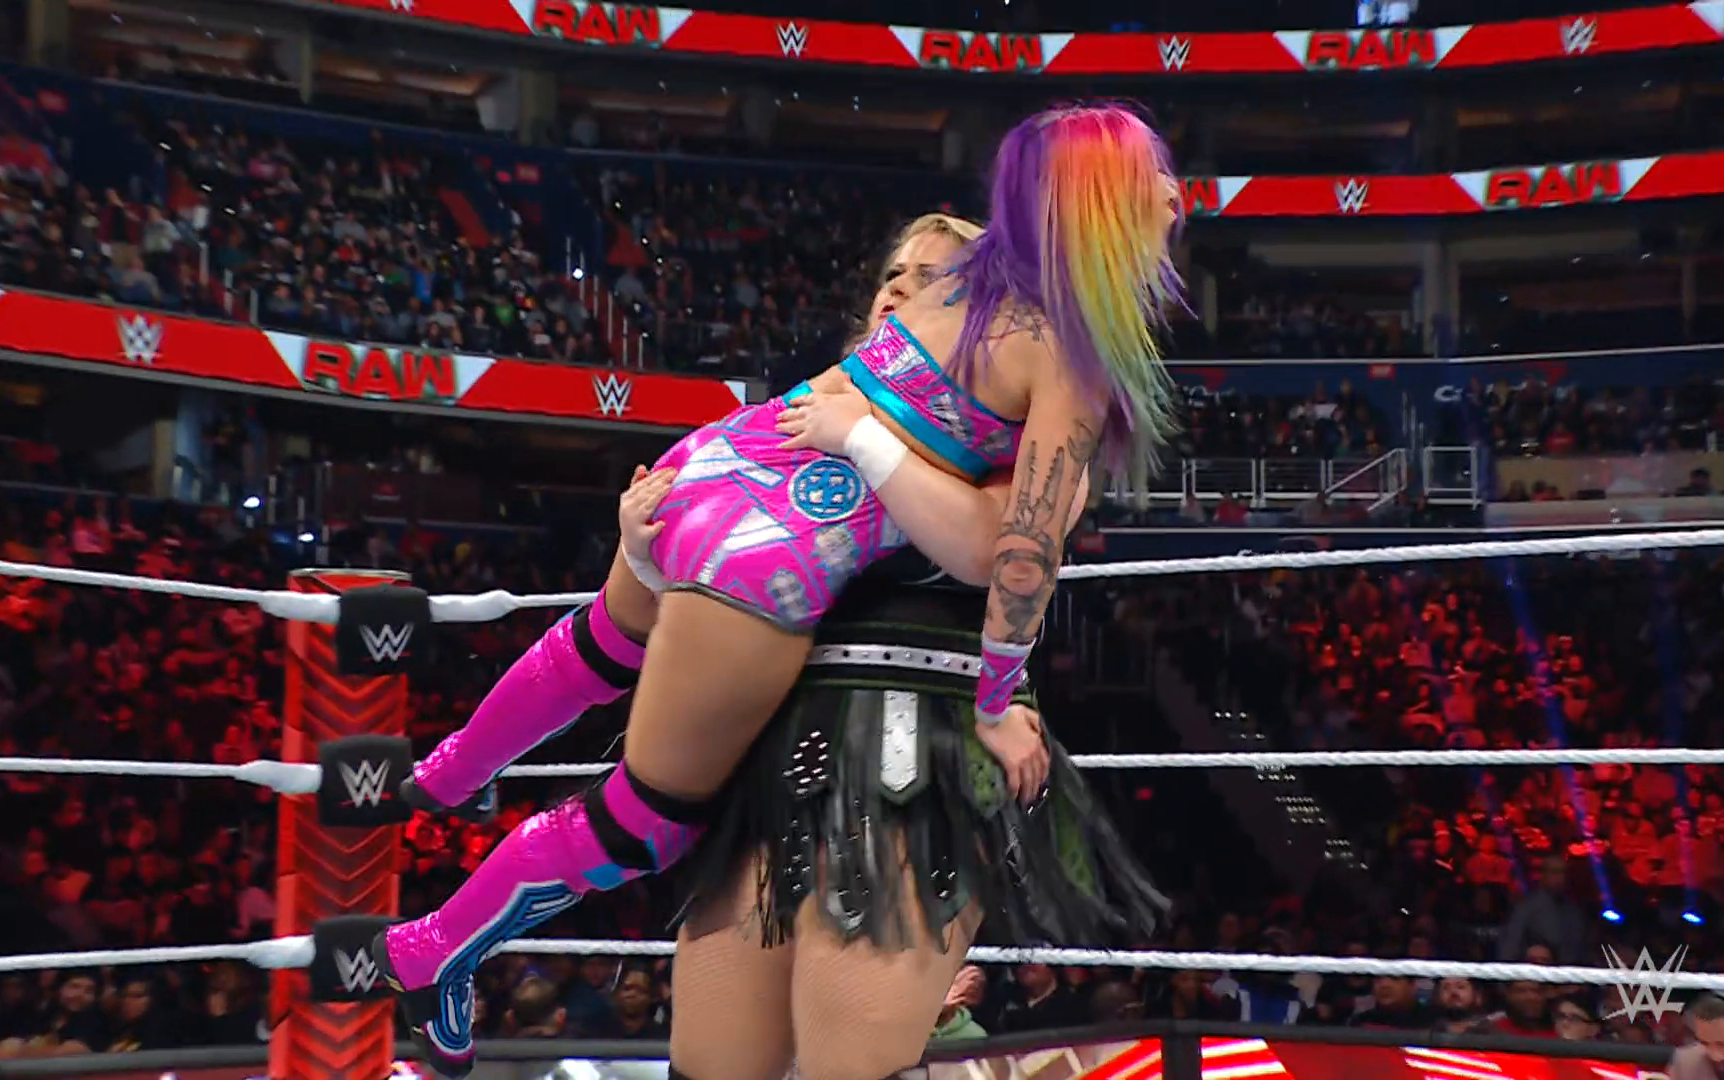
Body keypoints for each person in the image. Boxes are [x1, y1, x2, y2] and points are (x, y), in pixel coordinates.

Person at [378, 106, 1186, 1079]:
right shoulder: (1063, 348)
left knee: (606, 641)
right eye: (1153, 178)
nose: (1174, 196)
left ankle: (449, 774)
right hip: (776, 549)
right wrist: (995, 700)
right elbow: (1013, 556)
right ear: (1100, 204)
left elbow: (940, 269)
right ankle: (434, 945)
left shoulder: (962, 282)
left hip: (721, 459)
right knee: (645, 815)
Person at [652, 214, 1164, 1079]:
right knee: (712, 1059)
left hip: (916, 739)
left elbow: (1002, 551)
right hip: (778, 741)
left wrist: (863, 437)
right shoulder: (805, 412)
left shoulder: (1019, 427)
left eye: (934, 277)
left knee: (849, 1060)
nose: (901, 287)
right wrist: (648, 545)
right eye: (894, 272)